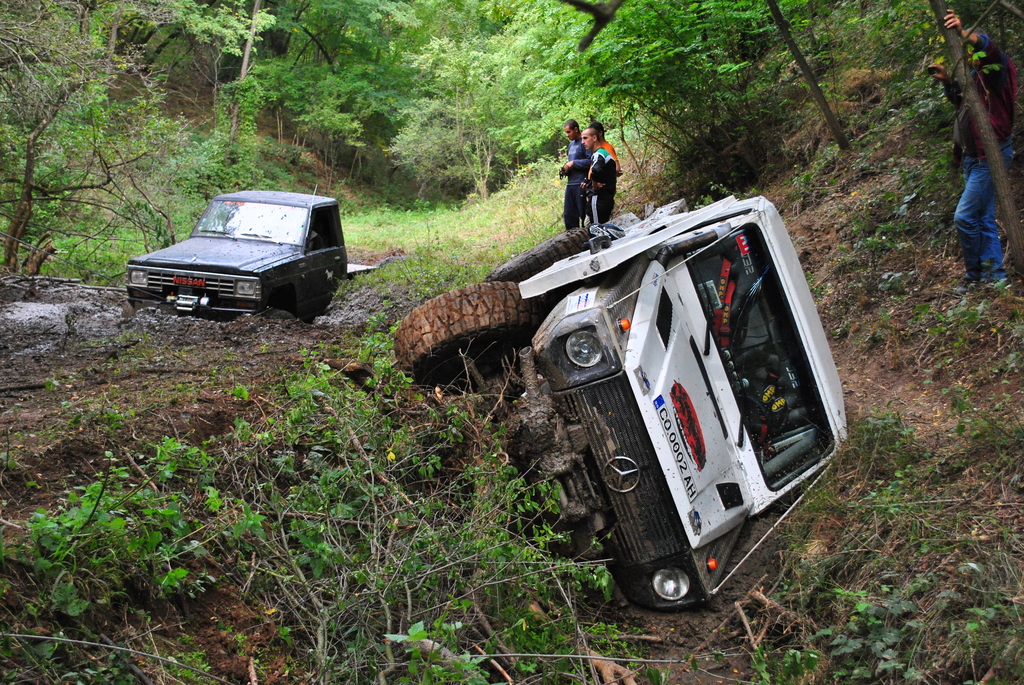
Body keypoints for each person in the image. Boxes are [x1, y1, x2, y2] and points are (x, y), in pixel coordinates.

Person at [929, 8, 1017, 293]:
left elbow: (990, 49)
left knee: (964, 217)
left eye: (973, 55)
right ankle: (996, 276)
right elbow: (962, 103)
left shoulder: (997, 72)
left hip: (988, 158)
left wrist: (964, 34)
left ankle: (974, 276)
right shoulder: (975, 78)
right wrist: (946, 82)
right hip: (971, 158)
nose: (971, 59)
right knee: (983, 217)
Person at [581, 126, 617, 224]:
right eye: (582, 139)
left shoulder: (599, 154)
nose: (582, 142)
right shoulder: (603, 153)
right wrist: (589, 184)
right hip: (605, 197)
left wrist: (595, 184)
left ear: (594, 138)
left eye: (585, 138)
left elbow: (596, 170)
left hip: (599, 199)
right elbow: (603, 174)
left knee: (597, 229)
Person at [560, 120, 591, 230]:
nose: (567, 135)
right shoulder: (570, 145)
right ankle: (572, 239)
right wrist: (566, 169)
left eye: (569, 132)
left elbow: (590, 161)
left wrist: (573, 163)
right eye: (566, 132)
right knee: (569, 214)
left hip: (581, 183)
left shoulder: (584, 142)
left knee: (583, 213)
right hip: (571, 184)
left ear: (576, 129)